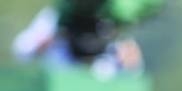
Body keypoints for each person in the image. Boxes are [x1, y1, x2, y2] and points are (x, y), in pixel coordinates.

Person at [11, 1, 163, 79]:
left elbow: (133, 72)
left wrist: (131, 61)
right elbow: (22, 50)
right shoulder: (56, 17)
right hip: (61, 82)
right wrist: (51, 39)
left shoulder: (110, 21)